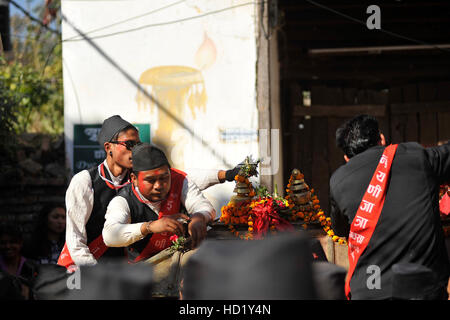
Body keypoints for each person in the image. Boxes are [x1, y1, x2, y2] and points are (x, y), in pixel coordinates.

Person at [59, 115, 241, 269]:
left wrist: (226, 175)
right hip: (84, 266)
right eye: (130, 144)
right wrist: (96, 274)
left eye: (138, 144)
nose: (136, 150)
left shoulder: (138, 173)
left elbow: (184, 177)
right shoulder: (85, 181)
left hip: (119, 266)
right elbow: (75, 240)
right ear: (109, 148)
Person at [330, 114, 450, 300]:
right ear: (382, 139)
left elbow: (340, 229)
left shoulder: (338, 181)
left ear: (346, 157)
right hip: (422, 290)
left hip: (369, 290)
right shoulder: (417, 156)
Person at [102, 143, 215, 262]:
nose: (159, 185)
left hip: (183, 263)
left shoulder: (180, 181)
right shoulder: (123, 200)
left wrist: (199, 217)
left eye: (164, 178)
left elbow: (203, 206)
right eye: (150, 180)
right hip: (144, 270)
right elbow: (109, 236)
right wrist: (149, 227)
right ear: (134, 179)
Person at [0, 225, 37, 299]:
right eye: (3, 243)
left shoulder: (32, 267)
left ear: (21, 243)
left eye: (13, 242)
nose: (8, 246)